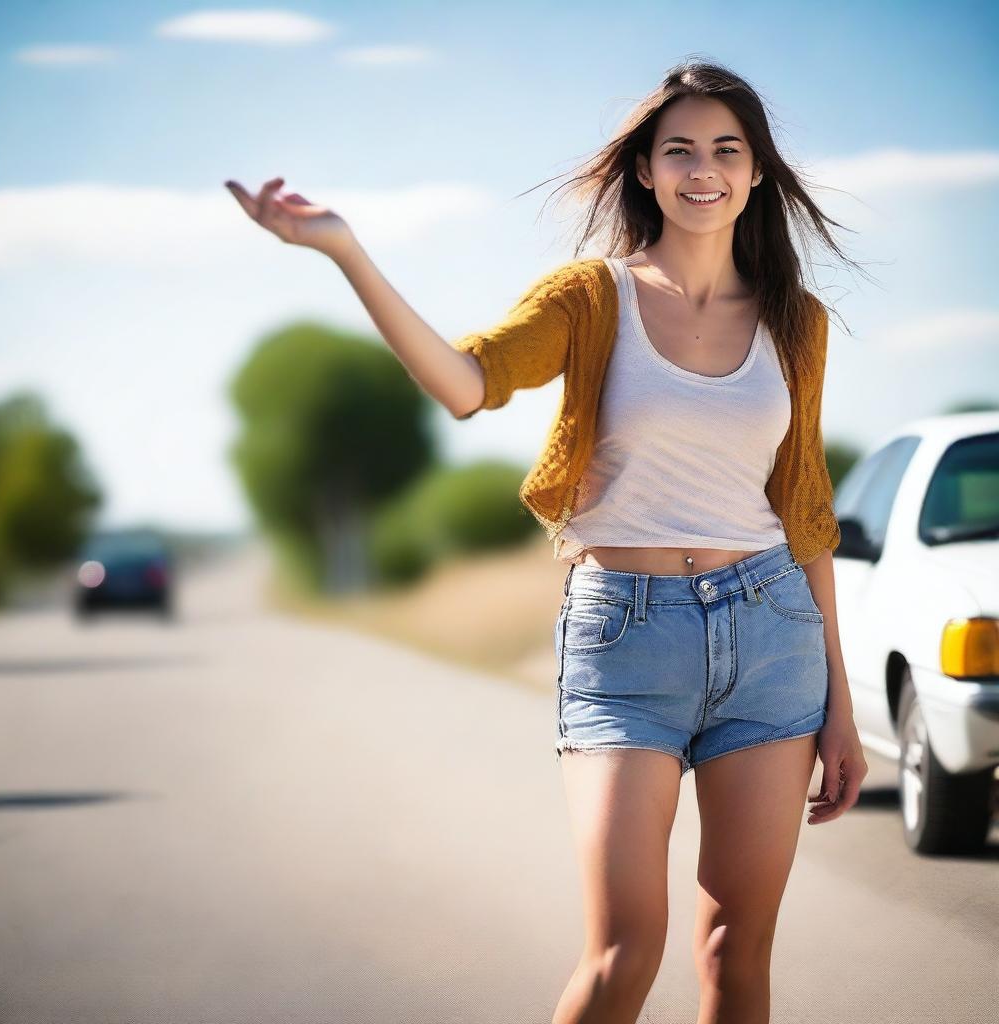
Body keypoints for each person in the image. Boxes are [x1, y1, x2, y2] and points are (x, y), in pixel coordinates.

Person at [225, 57, 871, 1024]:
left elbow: (806, 508)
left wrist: (843, 707)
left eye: (726, 151)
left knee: (739, 952)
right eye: (680, 150)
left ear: (758, 172)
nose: (704, 169)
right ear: (646, 172)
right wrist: (345, 250)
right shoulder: (589, 298)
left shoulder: (795, 322)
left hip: (772, 633)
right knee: (623, 953)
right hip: (626, 640)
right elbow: (465, 381)